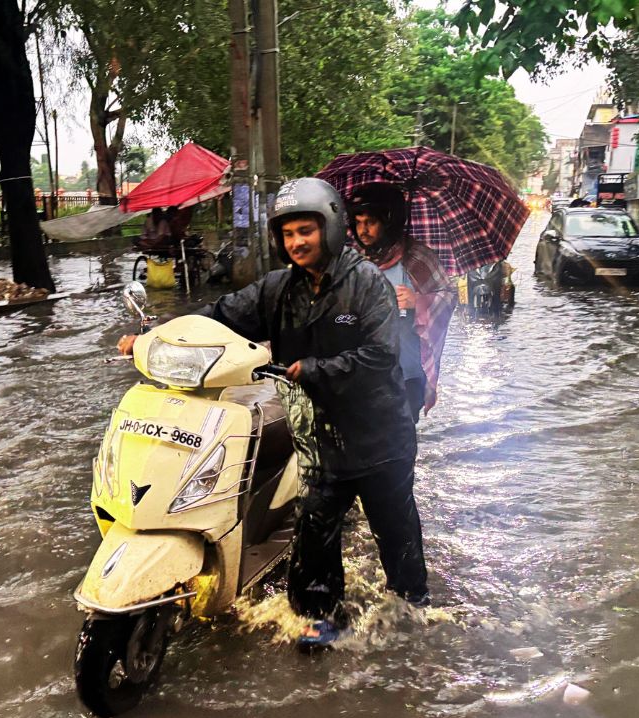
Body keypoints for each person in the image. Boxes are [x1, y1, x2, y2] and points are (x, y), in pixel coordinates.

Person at [117, 178, 429, 646]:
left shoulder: (368, 285)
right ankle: (322, 615)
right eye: (287, 234)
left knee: (395, 526)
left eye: (307, 230)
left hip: (379, 434)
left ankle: (411, 605)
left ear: (332, 227)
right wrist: (156, 336)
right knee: (315, 529)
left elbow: (380, 357)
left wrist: (315, 369)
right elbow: (220, 314)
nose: (297, 242)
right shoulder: (278, 288)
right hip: (319, 440)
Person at [347, 184, 455, 421]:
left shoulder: (417, 258)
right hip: (364, 374)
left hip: (407, 374)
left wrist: (419, 301)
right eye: (358, 222)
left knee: (400, 444)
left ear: (389, 221)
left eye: (370, 222)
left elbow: (448, 296)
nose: (362, 230)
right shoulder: (353, 262)